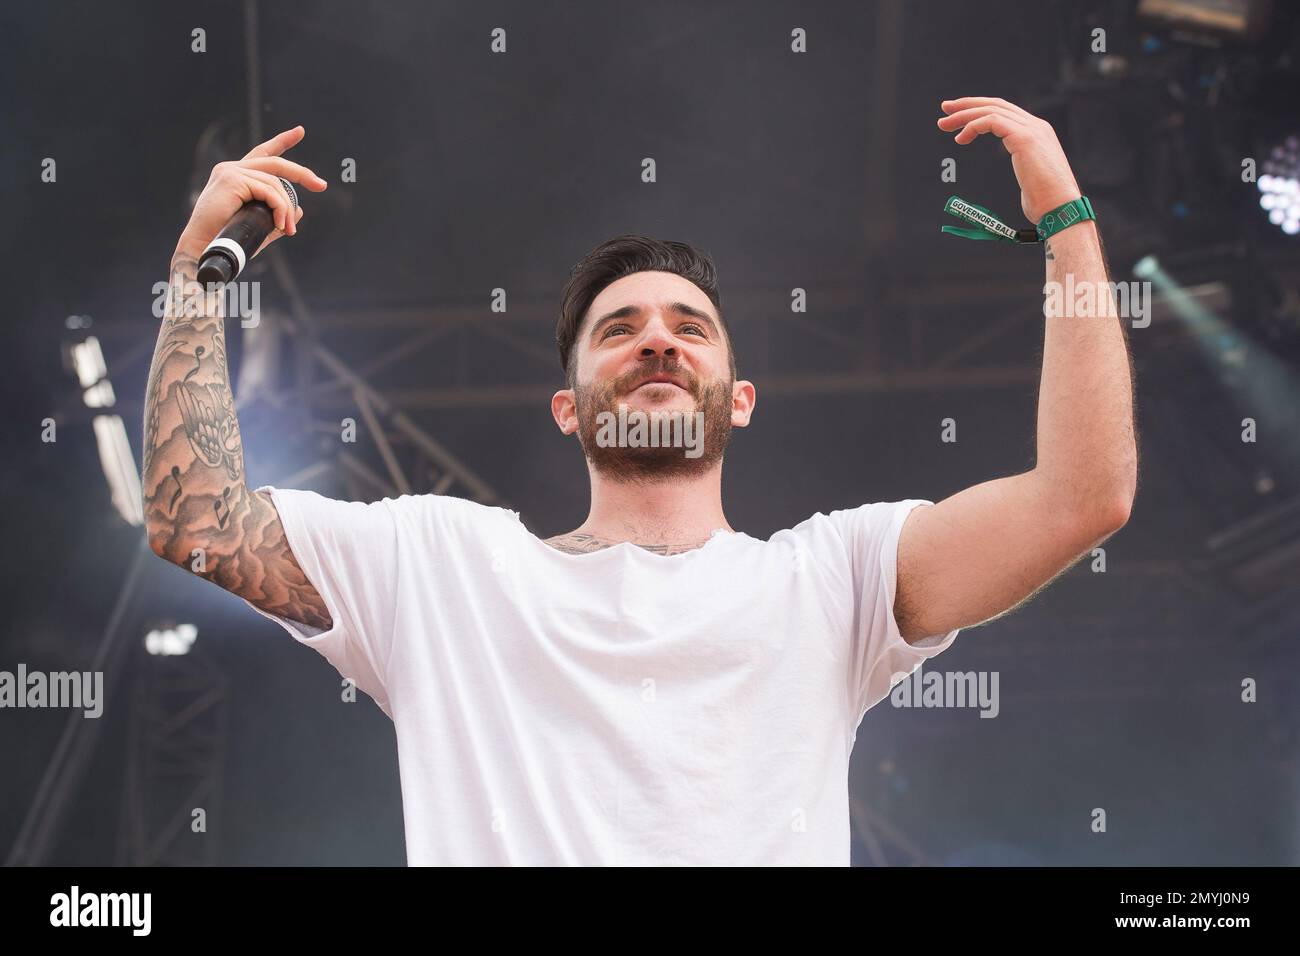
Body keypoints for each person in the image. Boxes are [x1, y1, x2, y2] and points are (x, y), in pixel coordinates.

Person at [142, 97, 1136, 865]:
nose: (655, 336)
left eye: (687, 326)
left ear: (739, 398)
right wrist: (195, 271)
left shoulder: (835, 576)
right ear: (568, 406)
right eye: (617, 329)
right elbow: (195, 521)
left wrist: (1064, 222)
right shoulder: (442, 566)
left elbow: (1081, 498)